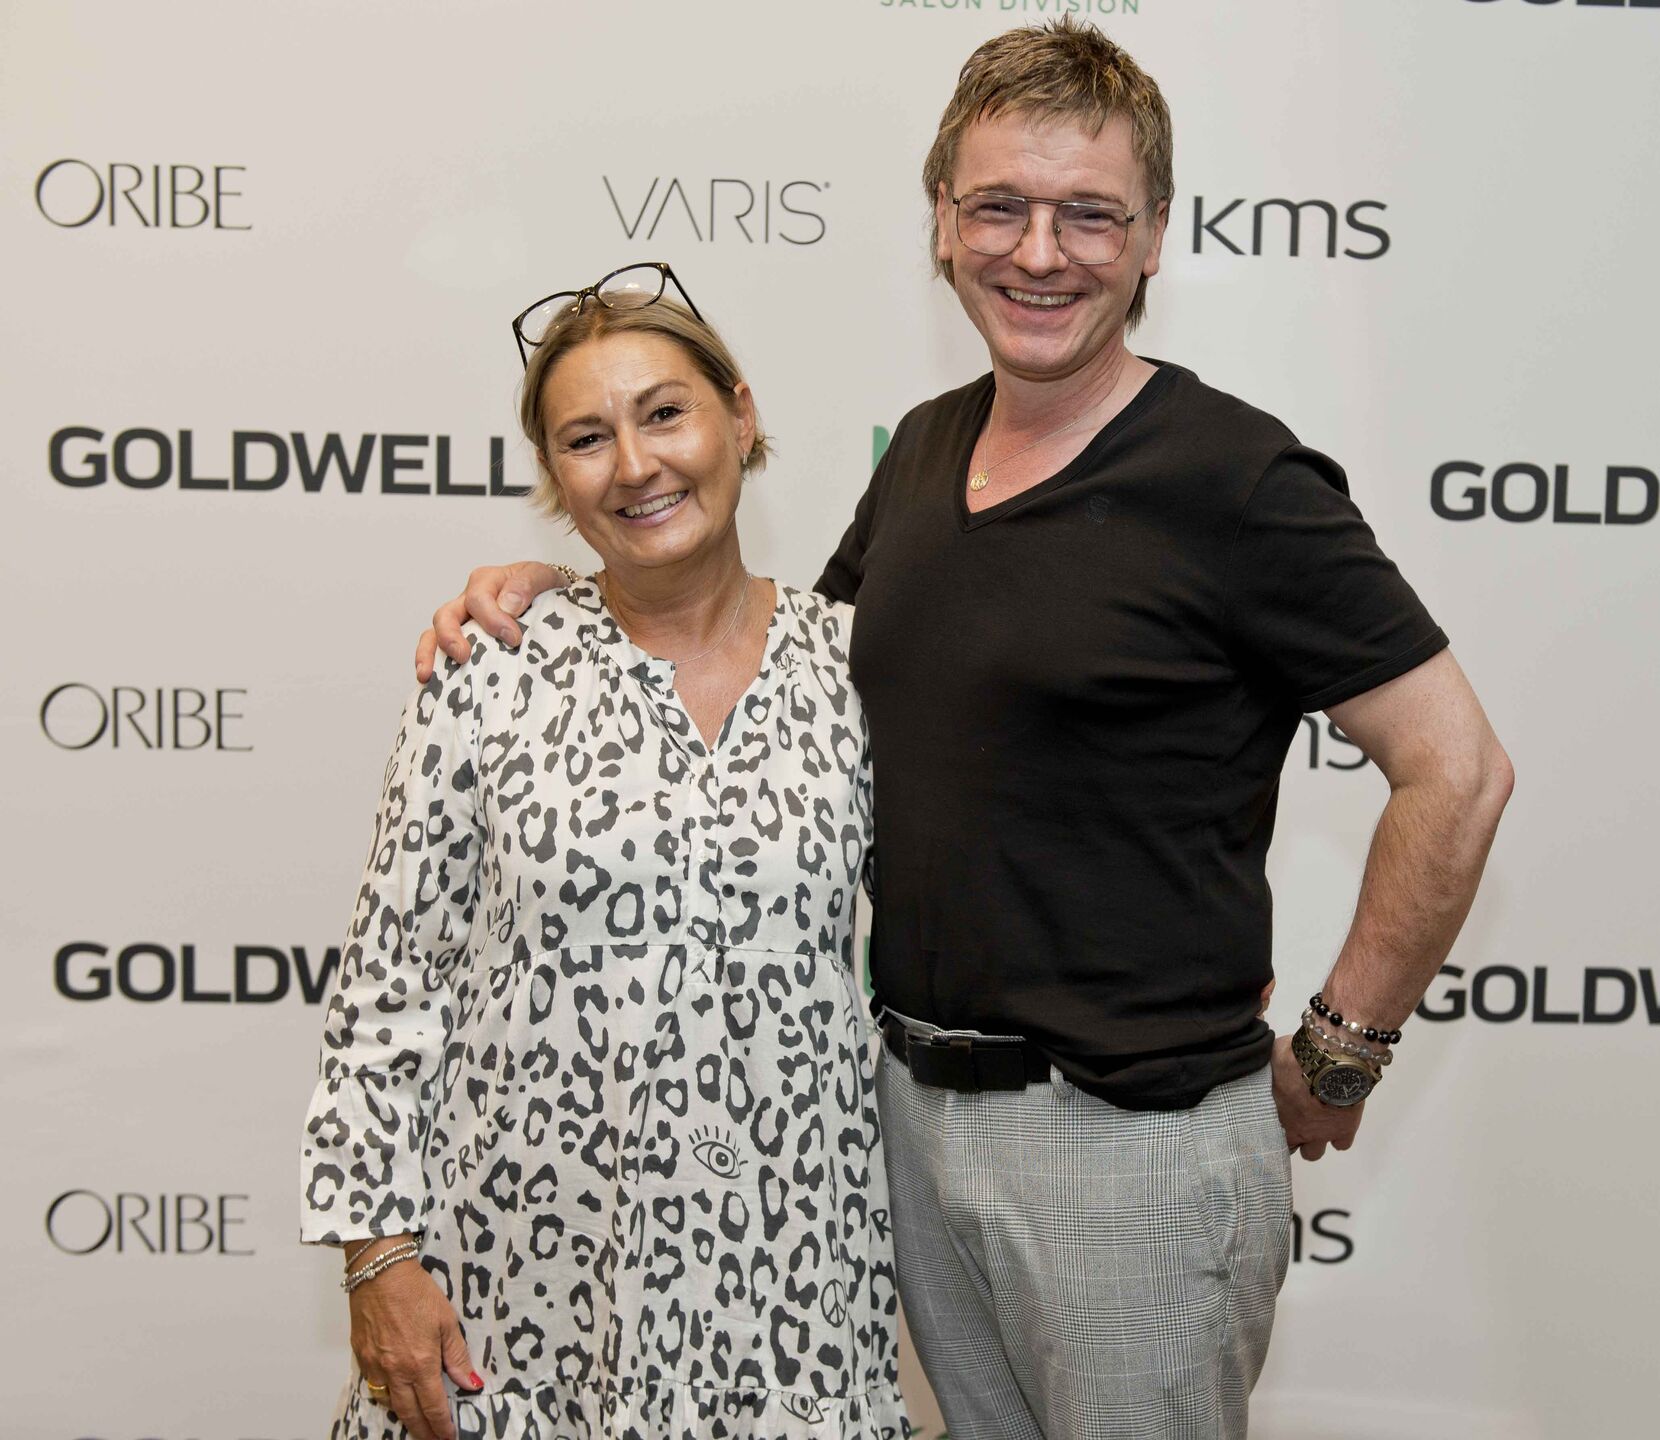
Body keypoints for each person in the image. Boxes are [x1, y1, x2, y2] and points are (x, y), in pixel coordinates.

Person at [417, 22, 1513, 1440]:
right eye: (999, 206)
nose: (1039, 253)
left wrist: (1344, 1047)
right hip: (911, 1126)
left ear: (1154, 237)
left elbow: (1457, 771)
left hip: (1133, 1150)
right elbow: (774, 673)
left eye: (1089, 215)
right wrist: (570, 595)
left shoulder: (1238, 479)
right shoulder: (928, 449)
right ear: (942, 220)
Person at [302, 273, 906, 1440]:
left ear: (740, 415)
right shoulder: (487, 668)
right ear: (555, 475)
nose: (634, 465)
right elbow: (388, 983)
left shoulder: (861, 666)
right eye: (586, 438)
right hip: (515, 1282)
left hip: (789, 1275)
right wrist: (377, 1257)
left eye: (665, 413)